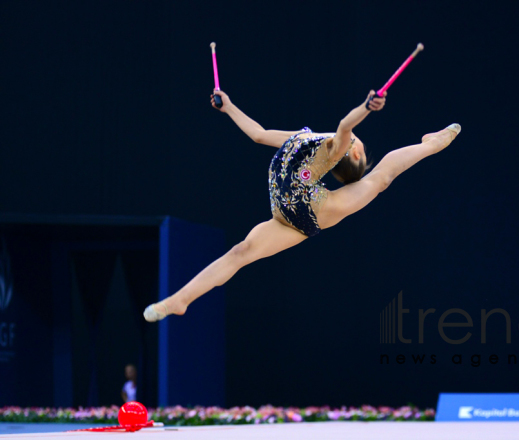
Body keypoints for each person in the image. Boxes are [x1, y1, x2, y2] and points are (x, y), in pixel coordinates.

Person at [144, 88, 460, 322]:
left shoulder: (337, 147)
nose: (361, 143)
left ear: (354, 155)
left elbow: (345, 124)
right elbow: (259, 134)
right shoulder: (304, 137)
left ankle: (433, 144)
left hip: (314, 206)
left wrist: (367, 106)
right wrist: (229, 107)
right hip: (284, 215)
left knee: (380, 180)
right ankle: (179, 300)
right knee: (239, 253)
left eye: (362, 149)